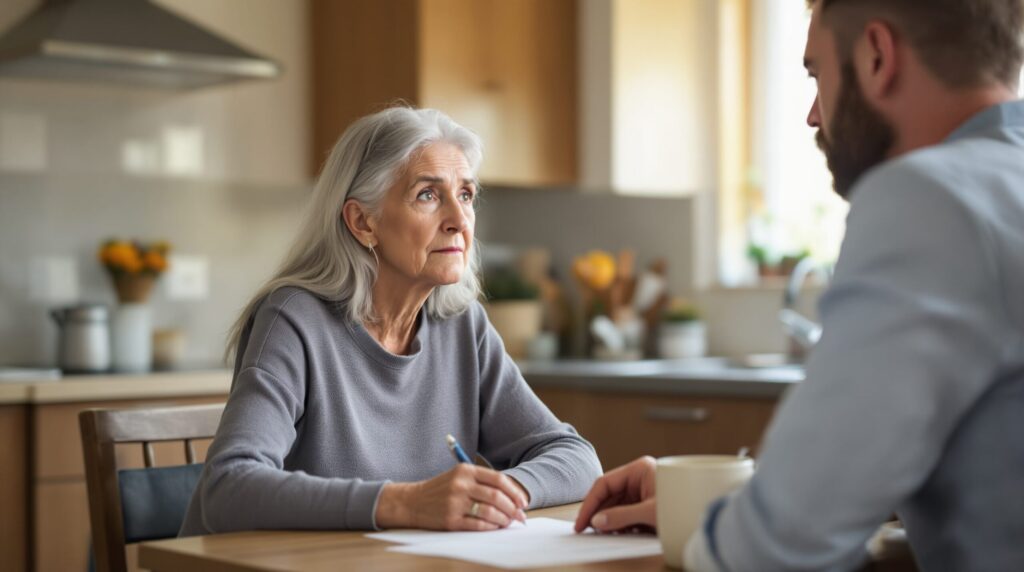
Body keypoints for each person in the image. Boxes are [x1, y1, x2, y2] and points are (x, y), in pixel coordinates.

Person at [575, 0, 1024, 570]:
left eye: (817, 74)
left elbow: (776, 549)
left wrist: (711, 533)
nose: (813, 115)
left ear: (877, 56)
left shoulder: (932, 199)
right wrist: (721, 503)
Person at [179, 106, 602, 536]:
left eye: (466, 195)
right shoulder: (293, 319)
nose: (459, 221)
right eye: (428, 195)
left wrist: (499, 493)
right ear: (363, 222)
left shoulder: (462, 326)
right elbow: (227, 488)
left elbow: (575, 456)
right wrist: (407, 503)